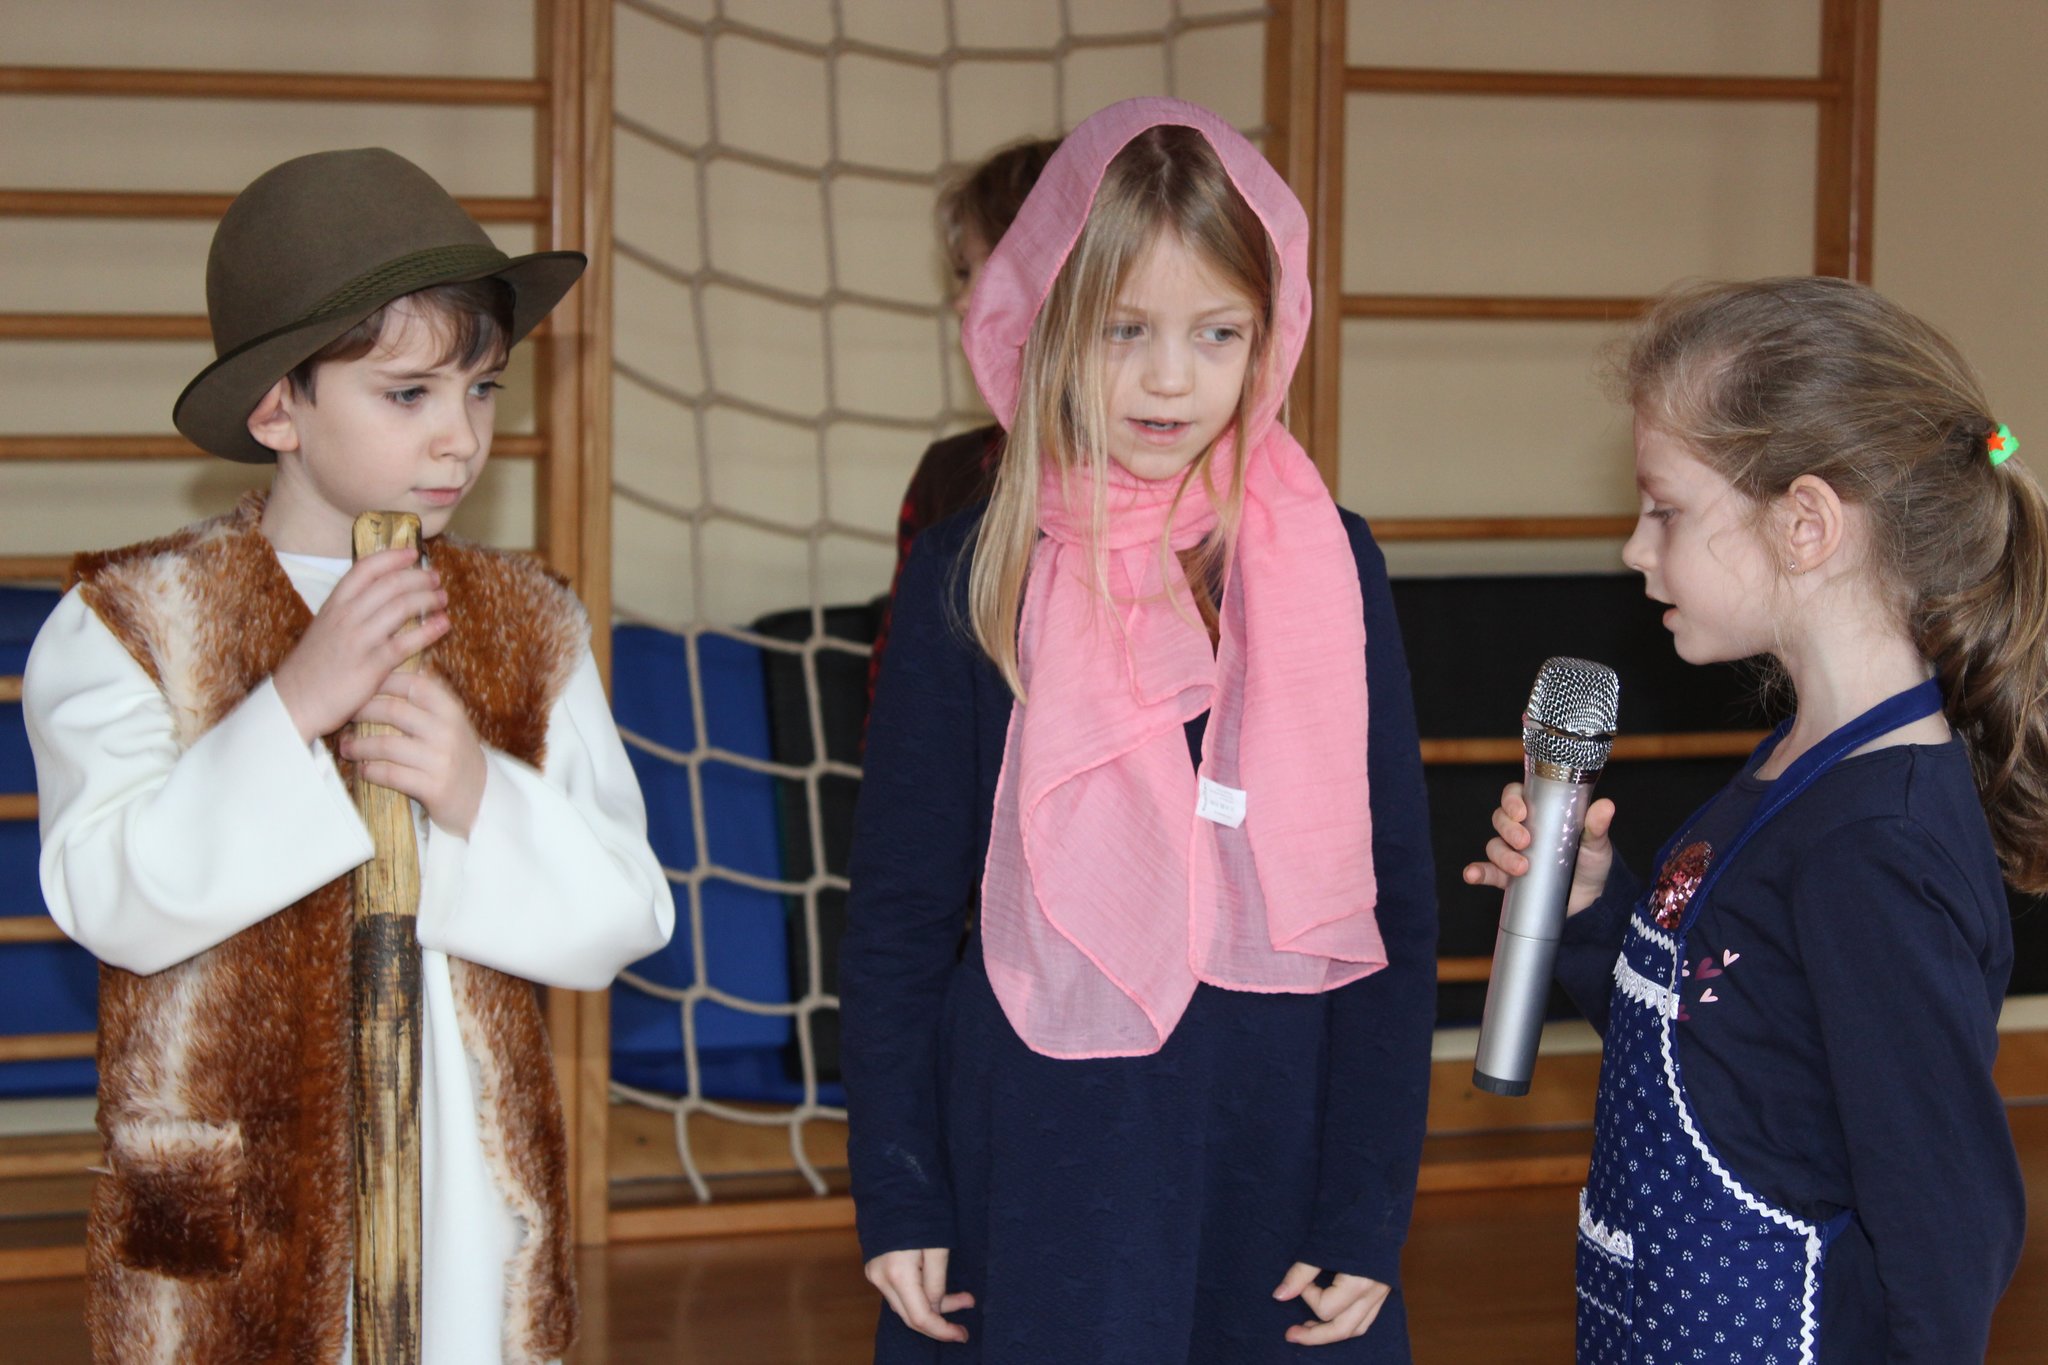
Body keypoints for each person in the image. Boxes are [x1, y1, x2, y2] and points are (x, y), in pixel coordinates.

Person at [23, 148, 674, 1364]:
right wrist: (292, 705)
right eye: (408, 394)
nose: (460, 438)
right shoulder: (131, 622)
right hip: (233, 1220)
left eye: (481, 390)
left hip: (466, 1214)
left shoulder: (530, 621)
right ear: (280, 408)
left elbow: (625, 914)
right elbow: (110, 895)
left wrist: (480, 794)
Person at [841, 97, 1438, 1363]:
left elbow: (1394, 907)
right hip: (1038, 1160)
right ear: (1048, 333)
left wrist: (1366, 1206)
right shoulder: (969, 576)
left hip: (1271, 1154)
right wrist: (899, 1189)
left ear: (1266, 339)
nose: (1171, 379)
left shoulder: (1332, 567)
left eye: (1216, 333)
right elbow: (895, 914)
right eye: (1124, 334)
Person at [1464, 277, 2028, 1362]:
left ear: (1804, 523)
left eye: (1664, 510)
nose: (1633, 548)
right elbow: (1720, 1041)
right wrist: (1588, 909)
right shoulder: (1784, 771)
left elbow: (1945, 1222)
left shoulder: (1872, 850)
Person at [867, 136, 1060, 702]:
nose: (959, 300)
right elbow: (896, 691)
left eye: (978, 269)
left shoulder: (1162, 473)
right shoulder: (947, 475)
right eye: (958, 273)